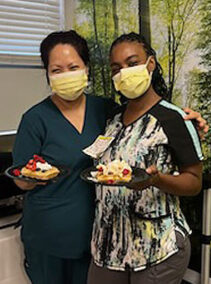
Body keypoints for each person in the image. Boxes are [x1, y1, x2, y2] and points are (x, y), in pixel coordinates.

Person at [12, 30, 207, 284]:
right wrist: (32, 177)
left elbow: (150, 124)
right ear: (47, 73)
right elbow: (20, 177)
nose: (66, 75)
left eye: (73, 67)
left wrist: (194, 124)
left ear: (86, 69)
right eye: (57, 70)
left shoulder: (105, 111)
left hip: (123, 242)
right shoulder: (42, 119)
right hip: (68, 240)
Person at [87, 32, 203, 284]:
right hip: (107, 247)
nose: (124, 73)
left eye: (132, 63)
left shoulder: (174, 119)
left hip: (156, 248)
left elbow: (194, 182)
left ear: (150, 64)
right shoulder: (112, 120)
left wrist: (157, 180)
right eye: (116, 68)